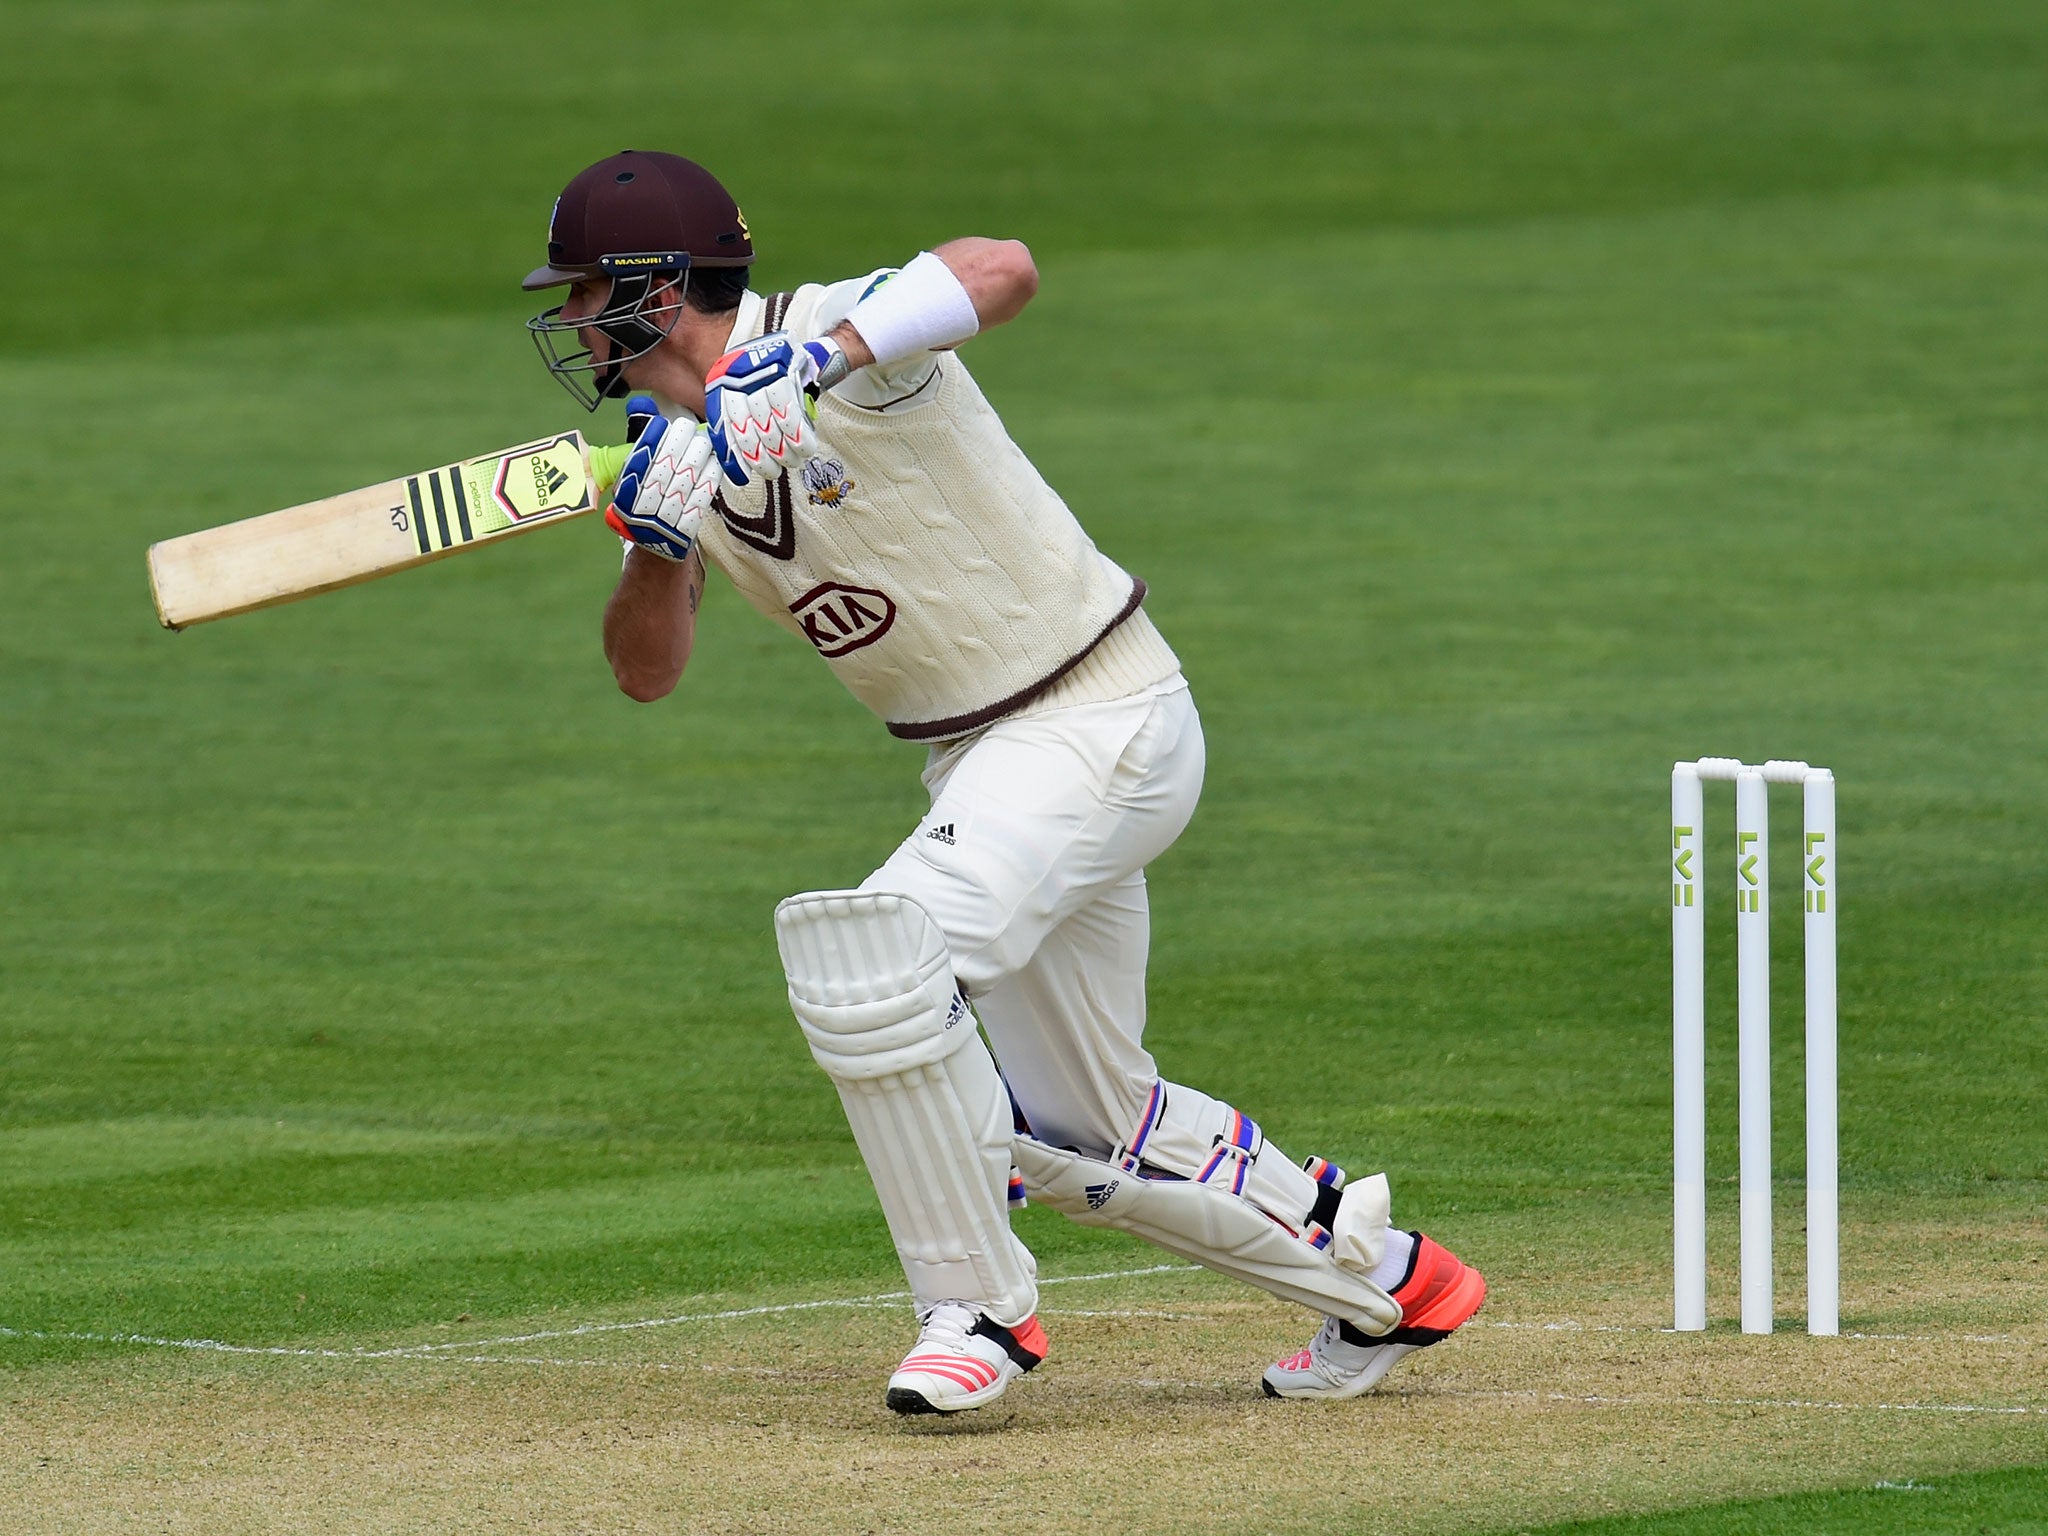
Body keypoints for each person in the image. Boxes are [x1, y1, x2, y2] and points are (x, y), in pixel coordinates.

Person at [522, 150, 1486, 1414]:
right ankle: (1384, 1279)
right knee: (1093, 1124)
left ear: (658, 283)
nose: (569, 318)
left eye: (586, 289)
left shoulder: (824, 331)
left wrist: (816, 360)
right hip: (984, 759)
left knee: (874, 957)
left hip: (1101, 713)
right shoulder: (675, 459)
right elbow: (644, 676)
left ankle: (976, 1307)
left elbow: (1001, 270)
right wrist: (653, 547)